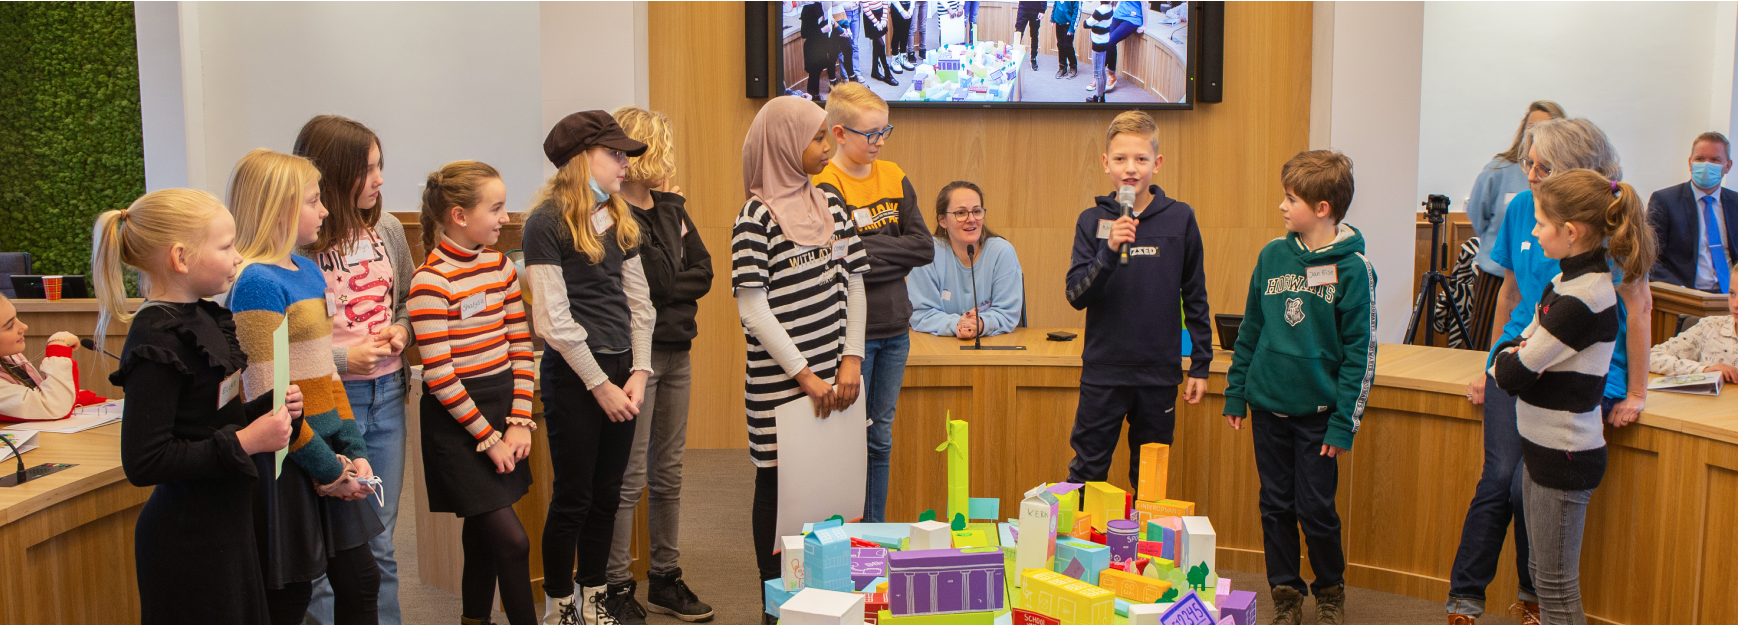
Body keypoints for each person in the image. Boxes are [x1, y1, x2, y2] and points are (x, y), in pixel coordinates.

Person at [1449, 117, 1652, 625]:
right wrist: (1491, 363)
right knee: (1500, 479)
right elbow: (1513, 299)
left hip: (1566, 370)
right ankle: (1465, 601)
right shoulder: (1528, 215)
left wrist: (1637, 391)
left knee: (1531, 496)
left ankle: (1533, 599)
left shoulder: (1596, 262)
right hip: (1529, 352)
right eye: (1529, 163)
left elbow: (1638, 309)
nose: (1531, 174)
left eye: (1543, 167)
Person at [94, 188, 296, 624]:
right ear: (181, 258)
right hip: (187, 543)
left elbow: (208, 420)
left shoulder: (204, 315)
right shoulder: (156, 338)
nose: (238, 257)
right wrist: (246, 441)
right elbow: (145, 460)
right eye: (226, 246)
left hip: (225, 526)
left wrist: (268, 410)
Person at [226, 148, 383, 625]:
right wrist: (327, 468)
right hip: (288, 460)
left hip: (327, 451)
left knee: (361, 580)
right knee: (290, 600)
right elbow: (265, 397)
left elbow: (327, 374)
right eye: (314, 201)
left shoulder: (308, 270)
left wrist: (352, 449)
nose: (326, 211)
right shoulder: (255, 283)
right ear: (279, 209)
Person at [1222, 150, 1372, 625]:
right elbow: (1250, 329)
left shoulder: (1354, 269)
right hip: (1267, 409)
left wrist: (1343, 424)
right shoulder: (1272, 255)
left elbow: (1361, 356)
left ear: (1322, 208)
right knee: (1275, 506)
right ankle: (1285, 594)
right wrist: (1236, 392)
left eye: (1291, 199)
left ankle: (1330, 591)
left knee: (1316, 509)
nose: (1282, 206)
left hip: (1319, 419)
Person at [735, 96, 867, 625]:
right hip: (782, 388)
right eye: (816, 138)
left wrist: (851, 358)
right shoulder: (754, 218)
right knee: (779, 489)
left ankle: (827, 598)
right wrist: (805, 375)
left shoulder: (831, 202)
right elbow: (754, 310)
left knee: (828, 488)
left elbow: (854, 283)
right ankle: (775, 605)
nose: (826, 147)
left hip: (837, 379)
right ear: (784, 146)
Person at [521, 110, 656, 625]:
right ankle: (559, 608)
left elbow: (640, 305)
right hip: (577, 378)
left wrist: (639, 372)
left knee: (608, 495)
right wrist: (601, 386)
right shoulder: (546, 222)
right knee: (574, 498)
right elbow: (553, 321)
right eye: (614, 155)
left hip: (622, 372)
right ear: (580, 160)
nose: (625, 165)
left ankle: (593, 599)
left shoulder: (619, 216)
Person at [293, 114, 414, 625]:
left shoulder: (388, 229)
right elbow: (289, 346)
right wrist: (345, 358)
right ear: (333, 173)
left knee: (378, 539)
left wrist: (401, 333)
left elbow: (405, 304)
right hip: (325, 404)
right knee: (321, 549)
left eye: (380, 165)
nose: (380, 179)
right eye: (368, 169)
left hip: (387, 394)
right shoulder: (298, 242)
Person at [408, 161, 538, 625]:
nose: (506, 217)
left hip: (502, 410)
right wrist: (488, 437)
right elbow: (441, 376)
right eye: (496, 208)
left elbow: (520, 345)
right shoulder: (430, 282)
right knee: (513, 542)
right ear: (460, 216)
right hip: (459, 425)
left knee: (483, 537)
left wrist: (519, 420)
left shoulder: (500, 266)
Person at [603, 106, 716, 624]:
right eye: (664, 149)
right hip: (636, 359)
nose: (669, 160)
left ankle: (665, 578)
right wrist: (673, 283)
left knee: (668, 472)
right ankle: (616, 584)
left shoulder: (671, 208)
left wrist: (672, 285)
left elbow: (703, 271)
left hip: (677, 350)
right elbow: (656, 281)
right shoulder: (613, 215)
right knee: (630, 477)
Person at [1064, 110, 1211, 488]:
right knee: (1087, 474)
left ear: (1156, 164)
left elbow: (1195, 294)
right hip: (1104, 372)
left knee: (1150, 481)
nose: (1130, 168)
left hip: (1157, 374)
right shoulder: (1090, 220)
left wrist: (1200, 364)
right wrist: (1109, 251)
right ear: (1106, 163)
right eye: (1120, 158)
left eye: (1141, 159)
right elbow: (1076, 295)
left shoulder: (1180, 218)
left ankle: (1142, 532)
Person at [811, 83, 933, 524]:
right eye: (871, 134)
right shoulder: (825, 184)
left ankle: (874, 533)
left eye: (885, 131)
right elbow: (838, 260)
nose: (880, 142)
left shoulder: (894, 175)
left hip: (896, 329)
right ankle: (843, 534)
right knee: (846, 440)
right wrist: (887, 249)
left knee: (880, 437)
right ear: (839, 134)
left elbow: (924, 247)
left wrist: (868, 247)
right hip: (849, 336)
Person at [1466, 101, 1566, 349]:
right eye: (1533, 127)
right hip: (1497, 271)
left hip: (1535, 285)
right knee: (1485, 342)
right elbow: (1477, 214)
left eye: (1546, 127)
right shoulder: (1499, 169)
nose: (1532, 175)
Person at [908, 181, 1024, 339]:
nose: (971, 219)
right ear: (942, 220)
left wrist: (981, 324)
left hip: (990, 346)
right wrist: (958, 324)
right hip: (937, 347)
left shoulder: (1001, 252)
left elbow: (1007, 313)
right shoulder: (927, 254)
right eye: (961, 213)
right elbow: (921, 314)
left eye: (976, 211)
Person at [1646, 131, 1738, 293]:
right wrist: (1680, 291)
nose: (1706, 165)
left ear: (1728, 166)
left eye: (1715, 160)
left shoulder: (1735, 203)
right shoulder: (1665, 201)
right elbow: (1648, 257)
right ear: (1690, 163)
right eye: (1700, 159)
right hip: (1684, 295)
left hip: (1730, 297)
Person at [0, 295, 102, 422]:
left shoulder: (10, 357)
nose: (24, 326)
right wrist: (58, 350)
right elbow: (53, 407)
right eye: (10, 326)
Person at [1647, 273, 1738, 380]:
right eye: (1732, 293)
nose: (1735, 304)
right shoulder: (1710, 327)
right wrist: (1703, 370)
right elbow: (1651, 357)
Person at [1085, 1, 1143, 102]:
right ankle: (1099, 79)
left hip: (1132, 17)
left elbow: (1145, 4)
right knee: (1106, 39)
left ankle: (1111, 74)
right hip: (1119, 14)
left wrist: (1144, 25)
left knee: (1110, 41)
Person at [800, 1, 837, 100]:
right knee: (814, 73)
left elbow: (819, 24)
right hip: (812, 47)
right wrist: (822, 30)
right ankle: (813, 98)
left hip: (821, 46)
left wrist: (829, 22)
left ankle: (817, 96)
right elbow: (805, 33)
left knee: (820, 69)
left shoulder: (820, 5)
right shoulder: (807, 9)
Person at [862, 1, 898, 86]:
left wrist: (884, 18)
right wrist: (876, 23)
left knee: (877, 44)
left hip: (880, 14)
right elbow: (866, 9)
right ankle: (887, 73)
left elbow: (885, 3)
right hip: (871, 18)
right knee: (881, 44)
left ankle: (875, 71)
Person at [1051, 1, 1080, 79]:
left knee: (1067, 46)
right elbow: (1055, 5)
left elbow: (1076, 12)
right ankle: (1062, 67)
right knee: (1060, 45)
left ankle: (1073, 67)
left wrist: (1072, 28)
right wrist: (1053, 18)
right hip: (1059, 23)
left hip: (1068, 25)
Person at [1015, 1, 1046, 71]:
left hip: (1035, 10)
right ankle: (1015, 56)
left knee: (1034, 35)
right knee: (1018, 33)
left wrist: (1042, 10)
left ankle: (1033, 58)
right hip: (1023, 8)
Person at [890, 1, 916, 72]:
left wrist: (912, 7)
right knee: (897, 33)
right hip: (897, 7)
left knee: (905, 33)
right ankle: (894, 59)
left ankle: (903, 57)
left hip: (908, 6)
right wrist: (901, 11)